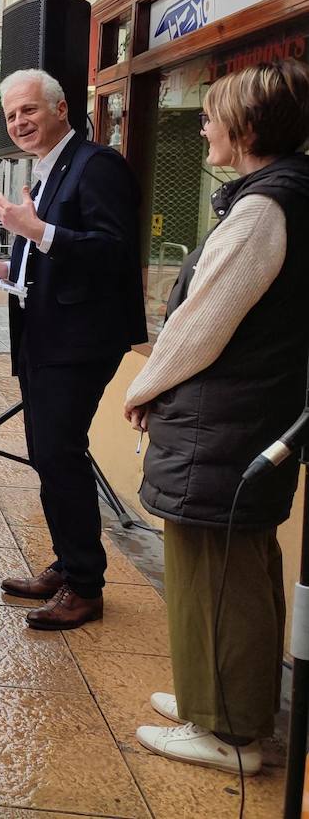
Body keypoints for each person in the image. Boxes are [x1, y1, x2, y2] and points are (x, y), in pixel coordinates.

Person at [123, 60, 309, 775]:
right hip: (245, 420)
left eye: (212, 114)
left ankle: (228, 731)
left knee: (215, 577)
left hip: (223, 423)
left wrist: (146, 384)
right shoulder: (282, 195)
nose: (202, 125)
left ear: (249, 128)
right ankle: (224, 700)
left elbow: (204, 321)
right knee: (242, 567)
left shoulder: (265, 208)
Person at [0, 68, 146, 631]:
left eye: (29, 111)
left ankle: (85, 586)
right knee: (46, 454)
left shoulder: (98, 165)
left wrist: (32, 230)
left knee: (61, 453)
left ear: (61, 109)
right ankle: (68, 565)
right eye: (12, 114)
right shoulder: (46, 171)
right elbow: (52, 255)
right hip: (44, 335)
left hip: (79, 340)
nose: (19, 122)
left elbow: (112, 253)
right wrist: (4, 266)